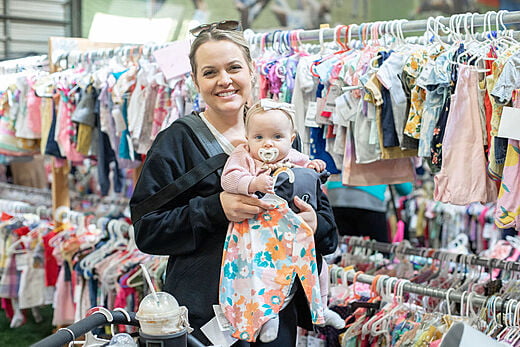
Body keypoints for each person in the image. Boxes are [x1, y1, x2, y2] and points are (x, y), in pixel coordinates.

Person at [130, 21, 338, 346]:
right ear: (195, 80)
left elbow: (328, 233)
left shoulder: (278, 133)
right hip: (206, 321)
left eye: (234, 68)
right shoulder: (177, 142)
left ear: (252, 71)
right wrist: (216, 208)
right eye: (210, 72)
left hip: (276, 316)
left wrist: (314, 225)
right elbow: (147, 230)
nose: (224, 81)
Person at [219, 99, 344, 342]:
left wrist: (312, 165)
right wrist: (252, 183)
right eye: (258, 137)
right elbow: (229, 179)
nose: (268, 143)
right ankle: (268, 316)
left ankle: (320, 307)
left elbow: (305, 164)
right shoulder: (245, 156)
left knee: (317, 265)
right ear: (247, 138)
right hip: (260, 233)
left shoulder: (290, 156)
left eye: (277, 136)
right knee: (263, 274)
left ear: (290, 137)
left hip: (291, 230)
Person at [326, 175, 413, 242]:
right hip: (370, 196)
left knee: (347, 247)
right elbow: (405, 188)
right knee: (379, 250)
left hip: (336, 194)